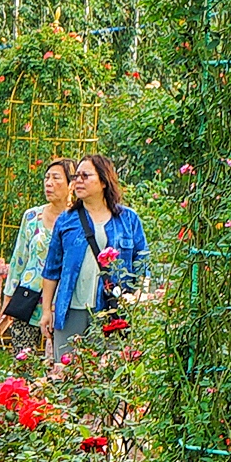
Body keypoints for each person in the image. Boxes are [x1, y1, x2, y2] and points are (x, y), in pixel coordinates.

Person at [42, 153, 149, 358]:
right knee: (67, 374)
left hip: (111, 311)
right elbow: (51, 268)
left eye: (85, 176)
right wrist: (47, 310)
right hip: (71, 309)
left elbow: (142, 262)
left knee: (106, 376)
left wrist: (137, 298)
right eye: (76, 177)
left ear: (103, 181)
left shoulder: (128, 219)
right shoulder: (66, 220)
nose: (78, 181)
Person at [4, 159, 72, 355]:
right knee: (24, 363)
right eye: (46, 178)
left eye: (56, 178)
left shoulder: (79, 220)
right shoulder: (32, 216)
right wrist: (8, 299)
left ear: (71, 185)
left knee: (61, 365)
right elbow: (19, 259)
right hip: (28, 300)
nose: (48, 183)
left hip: (62, 302)